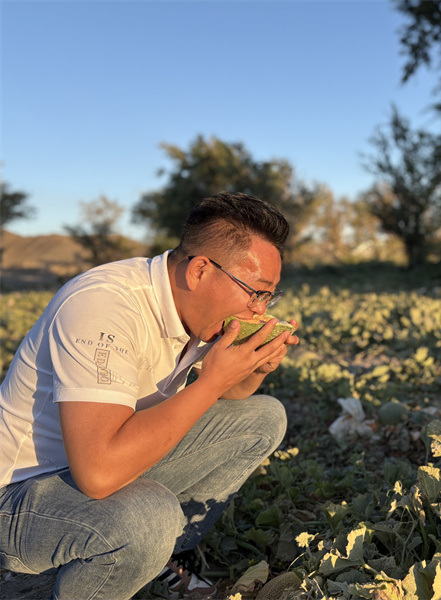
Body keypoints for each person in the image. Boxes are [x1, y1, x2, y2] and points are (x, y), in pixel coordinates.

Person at [0, 192, 300, 599]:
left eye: (268, 296)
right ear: (199, 271)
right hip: (18, 496)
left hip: (95, 467)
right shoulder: (104, 306)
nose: (260, 310)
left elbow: (233, 394)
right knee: (148, 518)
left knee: (261, 418)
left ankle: (151, 561)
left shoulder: (194, 309)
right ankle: (39, 578)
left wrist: (254, 368)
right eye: (256, 292)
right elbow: (98, 474)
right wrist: (209, 384)